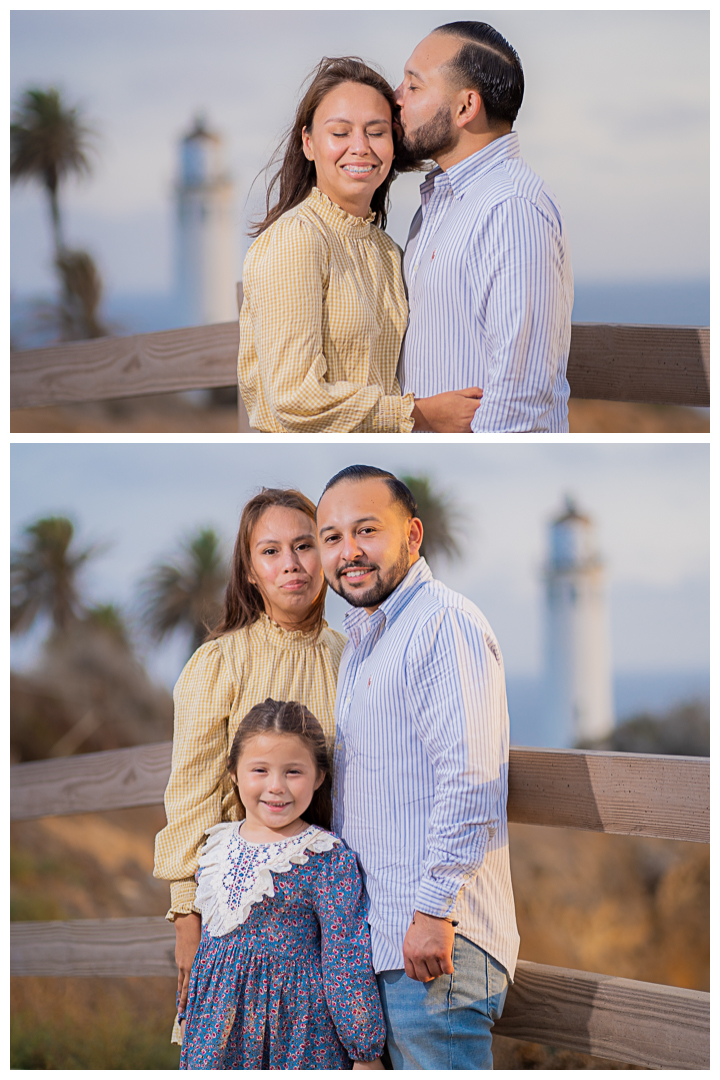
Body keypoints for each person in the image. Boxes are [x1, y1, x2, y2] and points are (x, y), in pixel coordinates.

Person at [316, 465, 520, 1070]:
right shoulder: (364, 641)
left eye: (366, 530)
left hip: (437, 947)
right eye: (331, 537)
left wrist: (433, 912)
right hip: (385, 949)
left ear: (413, 535)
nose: (348, 551)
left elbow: (471, 780)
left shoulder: (442, 624)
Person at [153, 488, 347, 1039]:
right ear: (250, 572)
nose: (291, 563)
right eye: (271, 551)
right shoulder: (220, 662)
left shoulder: (351, 656)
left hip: (330, 913)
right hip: (239, 915)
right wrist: (186, 915)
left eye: (305, 545)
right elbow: (191, 793)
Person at [237, 56, 482, 433]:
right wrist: (420, 415)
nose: (360, 147)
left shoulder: (387, 251)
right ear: (308, 143)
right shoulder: (296, 238)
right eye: (340, 133)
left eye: (376, 131)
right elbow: (294, 400)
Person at [178, 699, 386, 1069]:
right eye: (260, 769)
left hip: (294, 1034)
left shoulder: (325, 857)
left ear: (319, 776)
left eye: (293, 772)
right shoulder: (216, 846)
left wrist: (364, 1052)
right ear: (234, 772)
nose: (276, 787)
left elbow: (345, 958)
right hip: (215, 1034)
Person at [395, 22, 574, 432]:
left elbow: (519, 396)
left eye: (413, 86)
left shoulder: (512, 209)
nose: (396, 97)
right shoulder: (436, 206)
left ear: (465, 107)